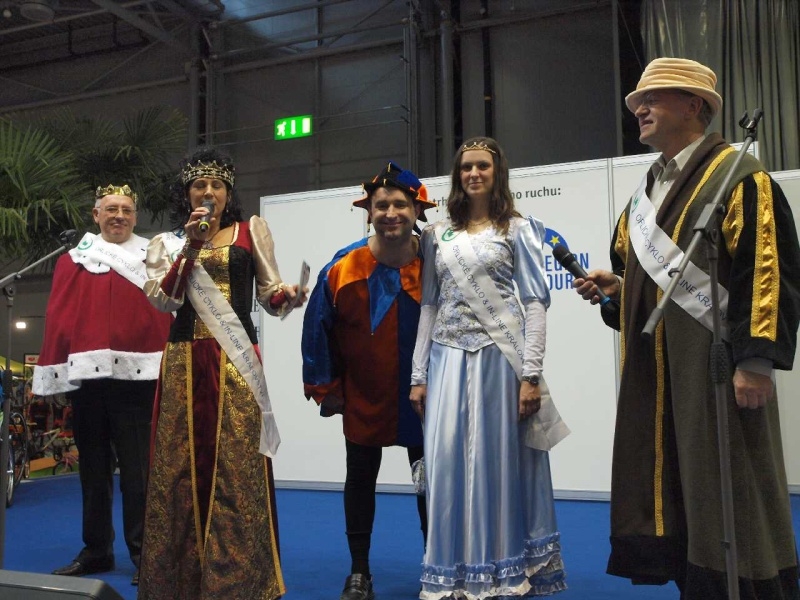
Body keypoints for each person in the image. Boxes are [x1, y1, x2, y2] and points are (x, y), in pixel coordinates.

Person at [572, 58, 800, 598]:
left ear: (693, 105)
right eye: (638, 102)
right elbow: (642, 276)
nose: (640, 109)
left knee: (730, 481)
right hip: (655, 373)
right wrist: (618, 289)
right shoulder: (647, 191)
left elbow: (767, 272)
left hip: (714, 367)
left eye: (653, 99)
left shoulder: (739, 177)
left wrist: (755, 362)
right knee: (674, 485)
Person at [138, 147, 307, 600]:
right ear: (187, 193)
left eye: (217, 185)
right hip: (183, 361)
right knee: (179, 467)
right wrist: (191, 244)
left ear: (228, 193)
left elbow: (269, 292)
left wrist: (288, 297)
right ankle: (179, 581)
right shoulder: (166, 243)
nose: (208, 191)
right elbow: (165, 300)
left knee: (237, 464)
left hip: (236, 361)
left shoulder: (251, 231)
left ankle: (238, 581)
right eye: (200, 185)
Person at [409, 136, 568, 599]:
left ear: (498, 172)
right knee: (447, 464)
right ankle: (454, 571)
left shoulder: (520, 228)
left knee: (499, 462)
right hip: (446, 358)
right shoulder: (437, 235)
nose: (474, 174)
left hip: (501, 360)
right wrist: (418, 375)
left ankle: (504, 568)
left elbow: (535, 303)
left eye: (482, 166)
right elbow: (429, 305)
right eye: (466, 167)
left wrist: (530, 374)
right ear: (457, 176)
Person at [302, 162, 436, 600]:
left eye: (400, 204)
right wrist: (326, 387)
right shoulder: (343, 267)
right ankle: (359, 570)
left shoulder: (438, 262)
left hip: (427, 397)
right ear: (369, 211)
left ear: (417, 211)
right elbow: (317, 328)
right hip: (364, 394)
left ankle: (437, 566)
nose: (390, 213)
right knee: (359, 478)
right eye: (382, 205)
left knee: (432, 485)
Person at [32, 184, 173, 585]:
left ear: (135, 216)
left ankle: (144, 553)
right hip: (88, 382)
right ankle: (96, 550)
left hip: (138, 381)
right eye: (111, 209)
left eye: (126, 210)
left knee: (137, 473)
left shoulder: (153, 256)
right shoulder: (74, 259)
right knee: (92, 471)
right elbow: (60, 315)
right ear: (96, 215)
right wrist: (56, 368)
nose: (119, 216)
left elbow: (167, 313)